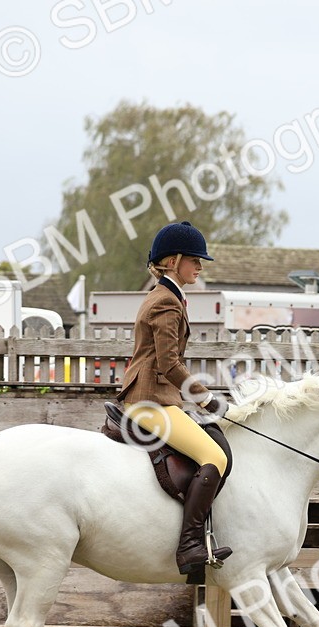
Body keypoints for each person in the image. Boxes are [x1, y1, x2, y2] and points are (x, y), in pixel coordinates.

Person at [117, 221, 234, 574]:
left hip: (160, 399)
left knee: (216, 443)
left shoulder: (169, 297)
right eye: (195, 260)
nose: (200, 267)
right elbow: (169, 364)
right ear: (173, 260)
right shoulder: (165, 302)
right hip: (149, 401)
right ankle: (190, 545)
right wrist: (206, 399)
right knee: (214, 456)